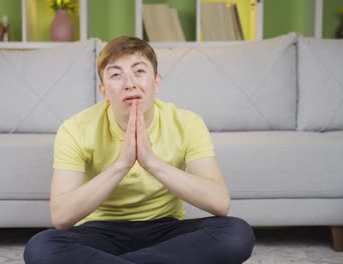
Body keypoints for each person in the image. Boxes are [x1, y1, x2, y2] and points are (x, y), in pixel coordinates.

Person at [24, 36, 255, 264]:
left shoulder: (188, 123)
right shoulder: (75, 129)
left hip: (166, 230)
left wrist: (151, 162)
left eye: (139, 71)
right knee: (41, 247)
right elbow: (61, 217)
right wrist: (121, 165)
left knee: (236, 233)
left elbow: (219, 202)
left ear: (156, 83)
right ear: (104, 91)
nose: (129, 83)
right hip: (100, 232)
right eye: (116, 75)